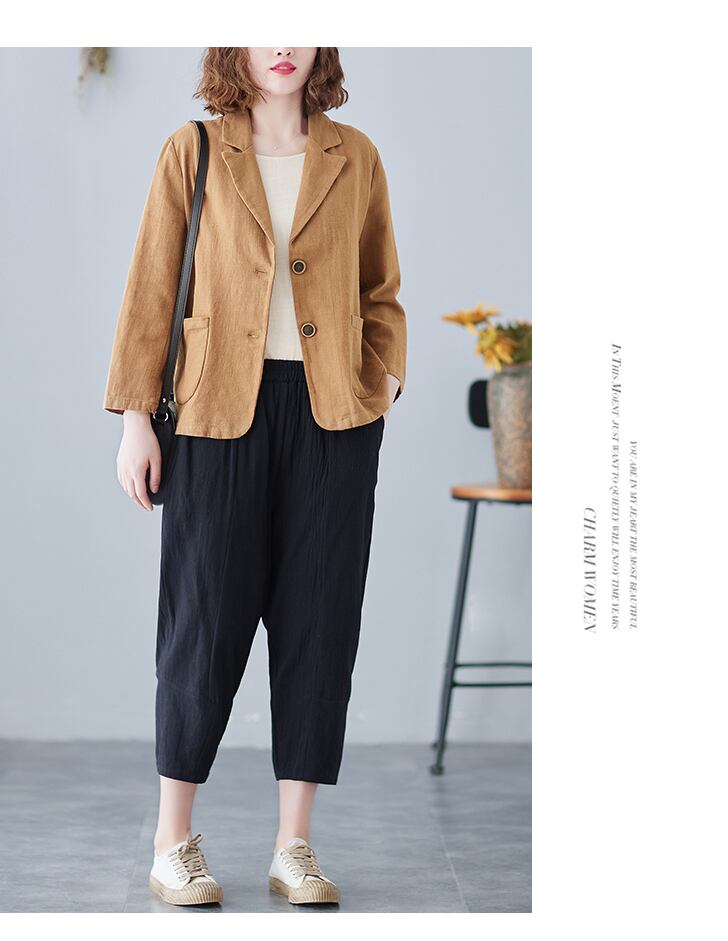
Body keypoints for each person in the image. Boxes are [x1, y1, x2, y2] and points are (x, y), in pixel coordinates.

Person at [102, 46, 406, 907]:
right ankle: (173, 842)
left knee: (319, 623)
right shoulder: (193, 149)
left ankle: (294, 846)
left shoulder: (355, 155)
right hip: (213, 413)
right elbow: (152, 287)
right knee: (202, 623)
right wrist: (135, 419)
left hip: (332, 416)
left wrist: (384, 378)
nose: (282, 45)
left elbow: (381, 288)